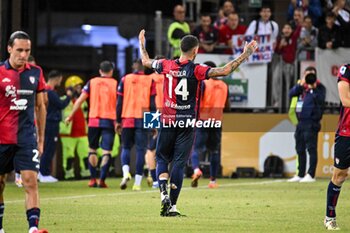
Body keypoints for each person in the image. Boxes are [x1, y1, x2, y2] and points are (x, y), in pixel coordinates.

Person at [138, 29, 257, 216]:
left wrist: (142, 44)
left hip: (168, 121)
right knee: (178, 162)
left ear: (180, 48)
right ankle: (173, 206)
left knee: (161, 158)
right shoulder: (197, 69)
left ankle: (163, 195)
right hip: (187, 123)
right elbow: (225, 70)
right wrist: (246, 54)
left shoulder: (166, 65)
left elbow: (145, 61)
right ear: (195, 51)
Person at [0, 31, 48, 233]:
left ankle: (33, 228)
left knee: (30, 181)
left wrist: (41, 139)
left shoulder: (36, 72)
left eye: (27, 50)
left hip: (27, 138)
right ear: (9, 49)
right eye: (19, 50)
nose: (23, 54)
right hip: (2, 138)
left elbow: (41, 106)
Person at [65, 61, 117, 188]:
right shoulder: (115, 83)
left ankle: (93, 179)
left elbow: (79, 100)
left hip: (93, 120)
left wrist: (70, 116)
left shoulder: (92, 82)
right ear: (111, 71)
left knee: (92, 149)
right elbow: (119, 104)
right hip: (109, 120)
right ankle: (102, 180)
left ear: (100, 71)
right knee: (106, 151)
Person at [116, 59, 156, 191]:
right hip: (143, 118)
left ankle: (125, 172)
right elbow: (152, 104)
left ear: (133, 66)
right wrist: (154, 123)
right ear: (143, 67)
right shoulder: (150, 81)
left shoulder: (125, 79)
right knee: (140, 150)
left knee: (126, 147)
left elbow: (119, 102)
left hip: (127, 117)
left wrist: (117, 120)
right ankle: (137, 183)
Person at [190, 61, 230, 189]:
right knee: (214, 151)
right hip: (217, 121)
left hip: (203, 119)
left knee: (195, 148)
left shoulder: (203, 83)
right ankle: (213, 181)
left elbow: (197, 101)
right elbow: (228, 106)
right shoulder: (224, 86)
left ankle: (196, 170)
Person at [287, 66, 326, 183]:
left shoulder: (319, 88)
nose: (309, 77)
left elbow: (321, 100)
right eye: (307, 74)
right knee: (299, 148)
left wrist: (312, 88)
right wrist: (301, 84)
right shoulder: (301, 88)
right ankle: (300, 173)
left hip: (312, 122)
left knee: (311, 148)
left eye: (312, 74)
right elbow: (291, 94)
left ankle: (311, 174)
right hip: (300, 122)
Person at [323, 63, 350, 230]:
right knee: (340, 175)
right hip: (347, 132)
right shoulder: (346, 70)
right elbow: (345, 99)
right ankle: (329, 217)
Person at [39, 70, 71, 183]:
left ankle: (43, 172)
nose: (60, 82)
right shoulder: (50, 91)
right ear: (56, 79)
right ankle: (44, 173)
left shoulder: (46, 90)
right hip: (51, 123)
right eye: (60, 80)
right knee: (49, 148)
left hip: (48, 122)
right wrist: (68, 96)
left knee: (47, 147)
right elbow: (61, 105)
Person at [60, 75, 89, 179]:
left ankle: (86, 174)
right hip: (68, 134)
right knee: (69, 157)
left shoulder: (83, 100)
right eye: (77, 87)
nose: (80, 89)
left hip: (83, 133)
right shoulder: (63, 100)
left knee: (85, 156)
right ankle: (69, 175)